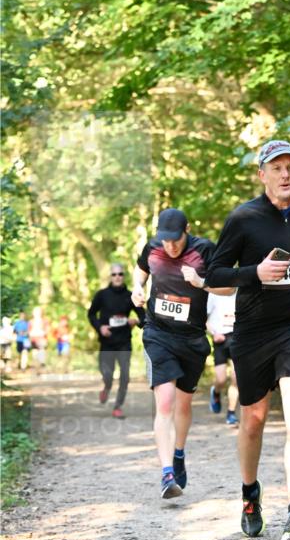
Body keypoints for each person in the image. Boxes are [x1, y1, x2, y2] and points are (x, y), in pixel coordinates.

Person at [206, 139, 290, 540]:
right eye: (277, 168)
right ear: (262, 174)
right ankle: (249, 494)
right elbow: (215, 275)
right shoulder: (243, 218)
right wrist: (255, 273)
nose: (286, 174)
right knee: (254, 420)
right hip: (252, 331)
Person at [131, 207, 233, 499]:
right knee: (165, 403)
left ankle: (178, 453)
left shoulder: (205, 250)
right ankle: (166, 474)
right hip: (158, 334)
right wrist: (137, 289)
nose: (170, 246)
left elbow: (229, 288)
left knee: (183, 406)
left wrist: (201, 282)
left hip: (192, 339)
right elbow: (140, 273)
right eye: (165, 240)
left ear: (187, 230)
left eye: (175, 240)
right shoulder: (151, 247)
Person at [88, 265, 144, 419]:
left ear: (123, 276)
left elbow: (144, 317)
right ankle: (106, 388)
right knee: (107, 375)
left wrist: (136, 321)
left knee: (125, 376)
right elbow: (91, 314)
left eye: (120, 274)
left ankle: (118, 406)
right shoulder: (102, 295)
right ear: (110, 277)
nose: (117, 277)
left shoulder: (131, 296)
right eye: (114, 274)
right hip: (107, 342)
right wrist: (100, 327)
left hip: (124, 341)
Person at [206, 291, 239, 424]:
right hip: (220, 338)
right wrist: (214, 333)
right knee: (221, 379)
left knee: (236, 379)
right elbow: (204, 320)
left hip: (236, 338)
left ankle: (231, 413)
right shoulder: (214, 293)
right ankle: (216, 392)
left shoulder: (241, 292)